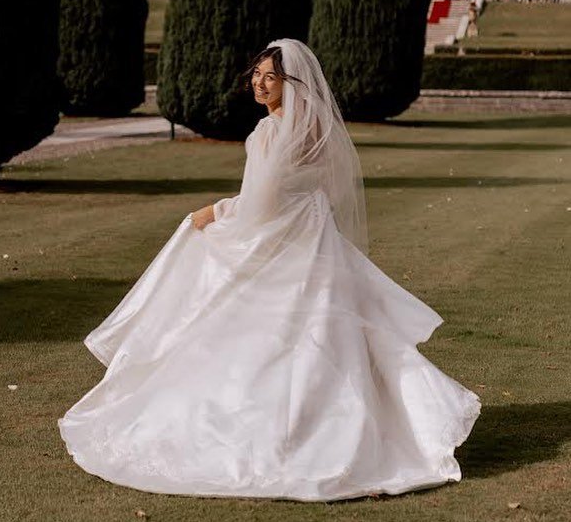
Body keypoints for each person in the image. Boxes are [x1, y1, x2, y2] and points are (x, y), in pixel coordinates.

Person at [58, 39, 481, 502]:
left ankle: (285, 435)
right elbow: (323, 188)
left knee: (268, 329)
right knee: (328, 329)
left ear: (289, 82)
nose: (259, 84)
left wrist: (216, 212)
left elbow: (261, 204)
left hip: (288, 237)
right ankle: (351, 428)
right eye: (256, 75)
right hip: (316, 235)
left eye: (269, 77)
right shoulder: (317, 126)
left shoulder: (269, 133)